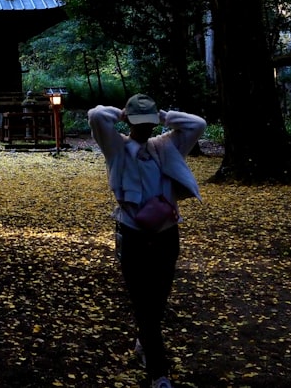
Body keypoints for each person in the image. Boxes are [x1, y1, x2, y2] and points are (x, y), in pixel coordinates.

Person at [88, 93, 206, 388]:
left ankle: (145, 339)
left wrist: (163, 116)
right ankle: (159, 372)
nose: (144, 130)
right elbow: (96, 116)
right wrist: (123, 113)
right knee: (142, 301)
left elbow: (197, 124)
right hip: (131, 233)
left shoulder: (167, 145)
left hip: (166, 232)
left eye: (148, 124)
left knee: (158, 298)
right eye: (140, 124)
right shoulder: (117, 148)